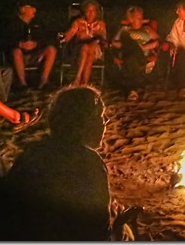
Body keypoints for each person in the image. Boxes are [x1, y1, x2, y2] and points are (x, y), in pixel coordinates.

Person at [7, 86, 111, 240]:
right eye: (100, 116)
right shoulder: (89, 164)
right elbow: (98, 231)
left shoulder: (33, 151)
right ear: (82, 123)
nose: (105, 122)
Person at [0, 0, 57, 90]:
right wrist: (19, 44)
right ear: (23, 9)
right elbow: (3, 41)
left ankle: (44, 81)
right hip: (18, 56)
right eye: (31, 7)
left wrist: (37, 44)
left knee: (51, 49)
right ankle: (22, 83)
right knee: (16, 51)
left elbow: (47, 38)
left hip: (35, 54)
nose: (35, 10)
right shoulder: (11, 24)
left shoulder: (38, 23)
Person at [110, 6, 159, 101]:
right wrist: (116, 44)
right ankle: (133, 90)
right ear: (131, 19)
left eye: (142, 17)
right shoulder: (125, 29)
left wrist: (145, 47)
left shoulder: (147, 29)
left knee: (130, 49)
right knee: (130, 54)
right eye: (139, 18)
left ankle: (131, 89)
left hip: (142, 57)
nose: (141, 20)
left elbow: (158, 42)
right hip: (128, 56)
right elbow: (114, 43)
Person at [59, 0, 108, 86]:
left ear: (96, 12)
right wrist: (63, 36)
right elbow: (69, 35)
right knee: (86, 48)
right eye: (88, 10)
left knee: (90, 48)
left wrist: (98, 37)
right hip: (79, 48)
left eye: (93, 10)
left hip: (95, 49)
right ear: (84, 12)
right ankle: (85, 82)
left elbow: (103, 38)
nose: (90, 13)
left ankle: (78, 78)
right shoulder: (78, 22)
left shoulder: (100, 24)